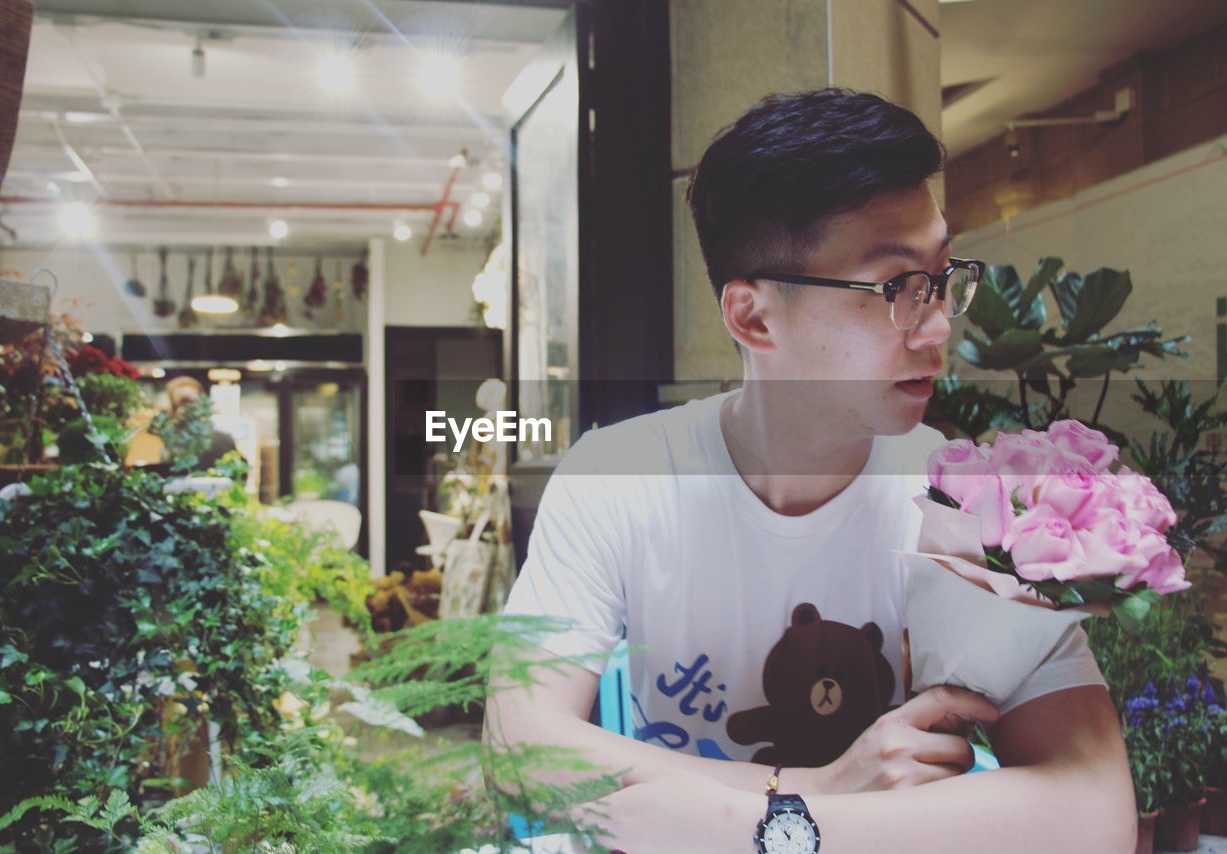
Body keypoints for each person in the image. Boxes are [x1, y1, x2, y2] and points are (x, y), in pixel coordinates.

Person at [485, 89, 1133, 853]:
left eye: (941, 278)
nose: (937, 328)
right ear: (754, 317)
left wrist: (753, 824)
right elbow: (521, 750)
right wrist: (807, 792)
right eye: (896, 288)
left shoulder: (970, 504)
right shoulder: (622, 478)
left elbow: (1094, 810)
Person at [162, 376, 239, 470]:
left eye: (191, 403)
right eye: (180, 404)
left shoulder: (222, 440)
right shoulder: (170, 444)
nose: (186, 410)